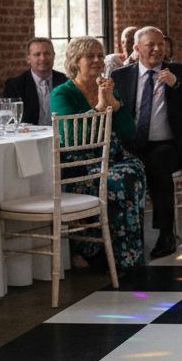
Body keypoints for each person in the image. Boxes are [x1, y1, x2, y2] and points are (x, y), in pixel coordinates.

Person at [110, 27, 182, 258]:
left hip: (169, 145)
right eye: (150, 45)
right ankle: (122, 238)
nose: (157, 49)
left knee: (157, 162)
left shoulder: (178, 70)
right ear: (136, 49)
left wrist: (177, 83)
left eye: (161, 44)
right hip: (132, 145)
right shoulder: (121, 76)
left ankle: (166, 233)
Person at [49, 36, 148, 272]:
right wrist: (100, 108)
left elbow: (128, 131)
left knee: (134, 170)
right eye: (89, 56)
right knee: (118, 181)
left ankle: (126, 253)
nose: (96, 60)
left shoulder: (107, 87)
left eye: (99, 55)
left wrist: (114, 101)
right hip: (79, 164)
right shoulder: (62, 94)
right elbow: (72, 135)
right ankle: (96, 251)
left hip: (112, 157)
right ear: (75, 61)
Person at [1, 37, 68, 126]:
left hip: (61, 136)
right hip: (28, 137)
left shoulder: (66, 81)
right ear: (28, 59)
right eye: (37, 54)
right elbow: (9, 120)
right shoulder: (15, 85)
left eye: (47, 53)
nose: (43, 58)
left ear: (54, 56)